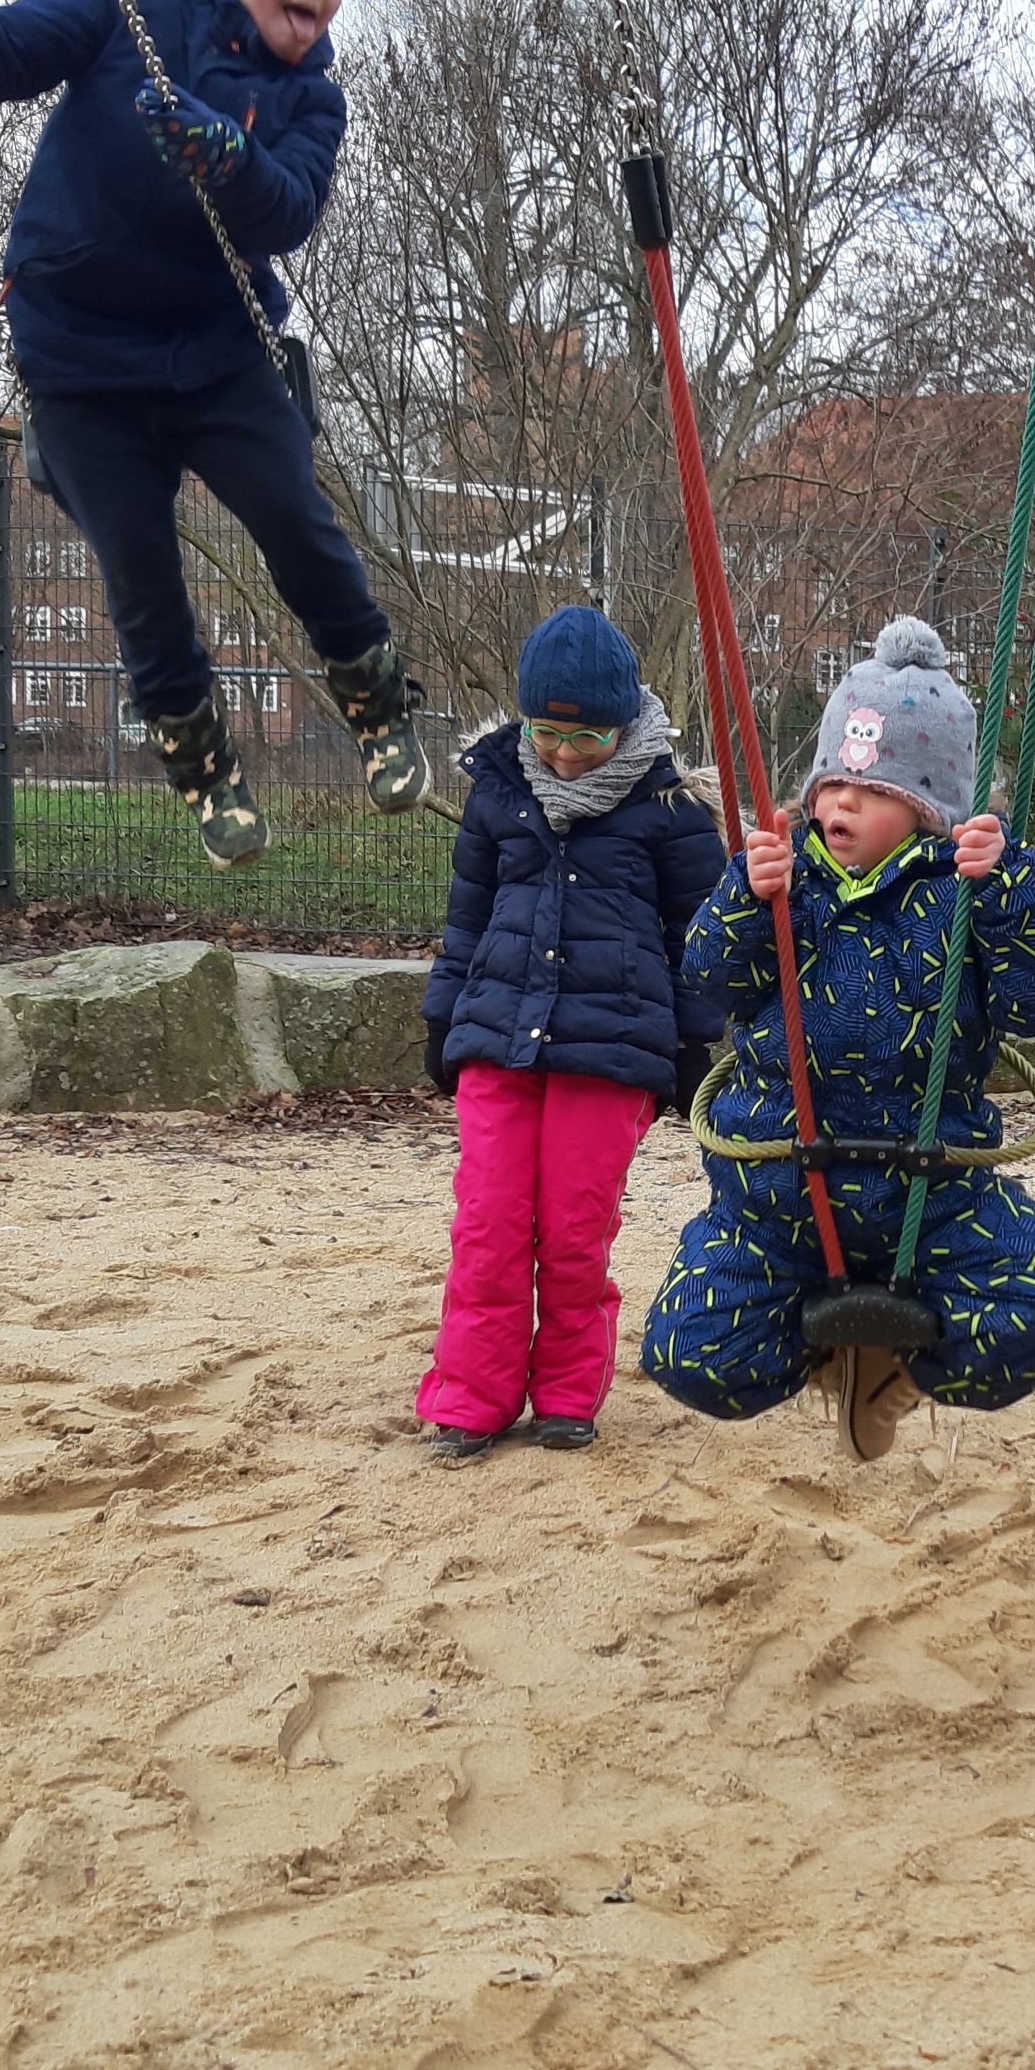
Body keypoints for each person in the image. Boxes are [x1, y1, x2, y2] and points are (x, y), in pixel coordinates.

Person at [0, 0, 429, 868]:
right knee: (139, 572)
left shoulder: (313, 100)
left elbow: (289, 210)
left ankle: (375, 700)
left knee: (296, 518)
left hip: (217, 350)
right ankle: (203, 764)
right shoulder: (130, 7)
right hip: (81, 359)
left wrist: (228, 156)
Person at [641, 615, 1035, 1462]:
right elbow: (706, 979)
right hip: (778, 1192)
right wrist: (744, 895)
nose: (842, 802)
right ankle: (830, 1351)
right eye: (833, 782)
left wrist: (1013, 886)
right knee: (689, 1355)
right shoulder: (782, 878)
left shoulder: (967, 893)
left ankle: (895, 1367)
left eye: (875, 788)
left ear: (930, 809)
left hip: (934, 1192)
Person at [418, 605, 726, 1463]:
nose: (562, 755)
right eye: (547, 733)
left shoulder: (668, 806)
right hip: (498, 1037)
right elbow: (467, 919)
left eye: (586, 739)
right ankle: (472, 1398)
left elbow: (698, 940)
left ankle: (564, 1394)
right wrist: (443, 1016)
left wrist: (694, 1043)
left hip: (613, 1048)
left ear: (624, 727)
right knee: (488, 1226)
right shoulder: (497, 792)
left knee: (573, 1230)